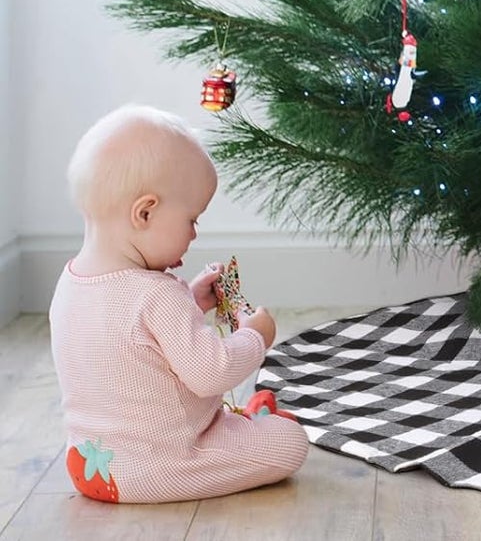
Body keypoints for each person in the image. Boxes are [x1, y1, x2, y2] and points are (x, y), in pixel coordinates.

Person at [48, 104, 309, 504]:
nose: (193, 235)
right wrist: (256, 338)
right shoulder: (156, 294)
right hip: (167, 464)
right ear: (146, 212)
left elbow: (128, 337)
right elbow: (211, 372)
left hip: (90, 467)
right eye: (192, 219)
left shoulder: (69, 283)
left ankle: (239, 425)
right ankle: (249, 426)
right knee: (290, 442)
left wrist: (191, 302)